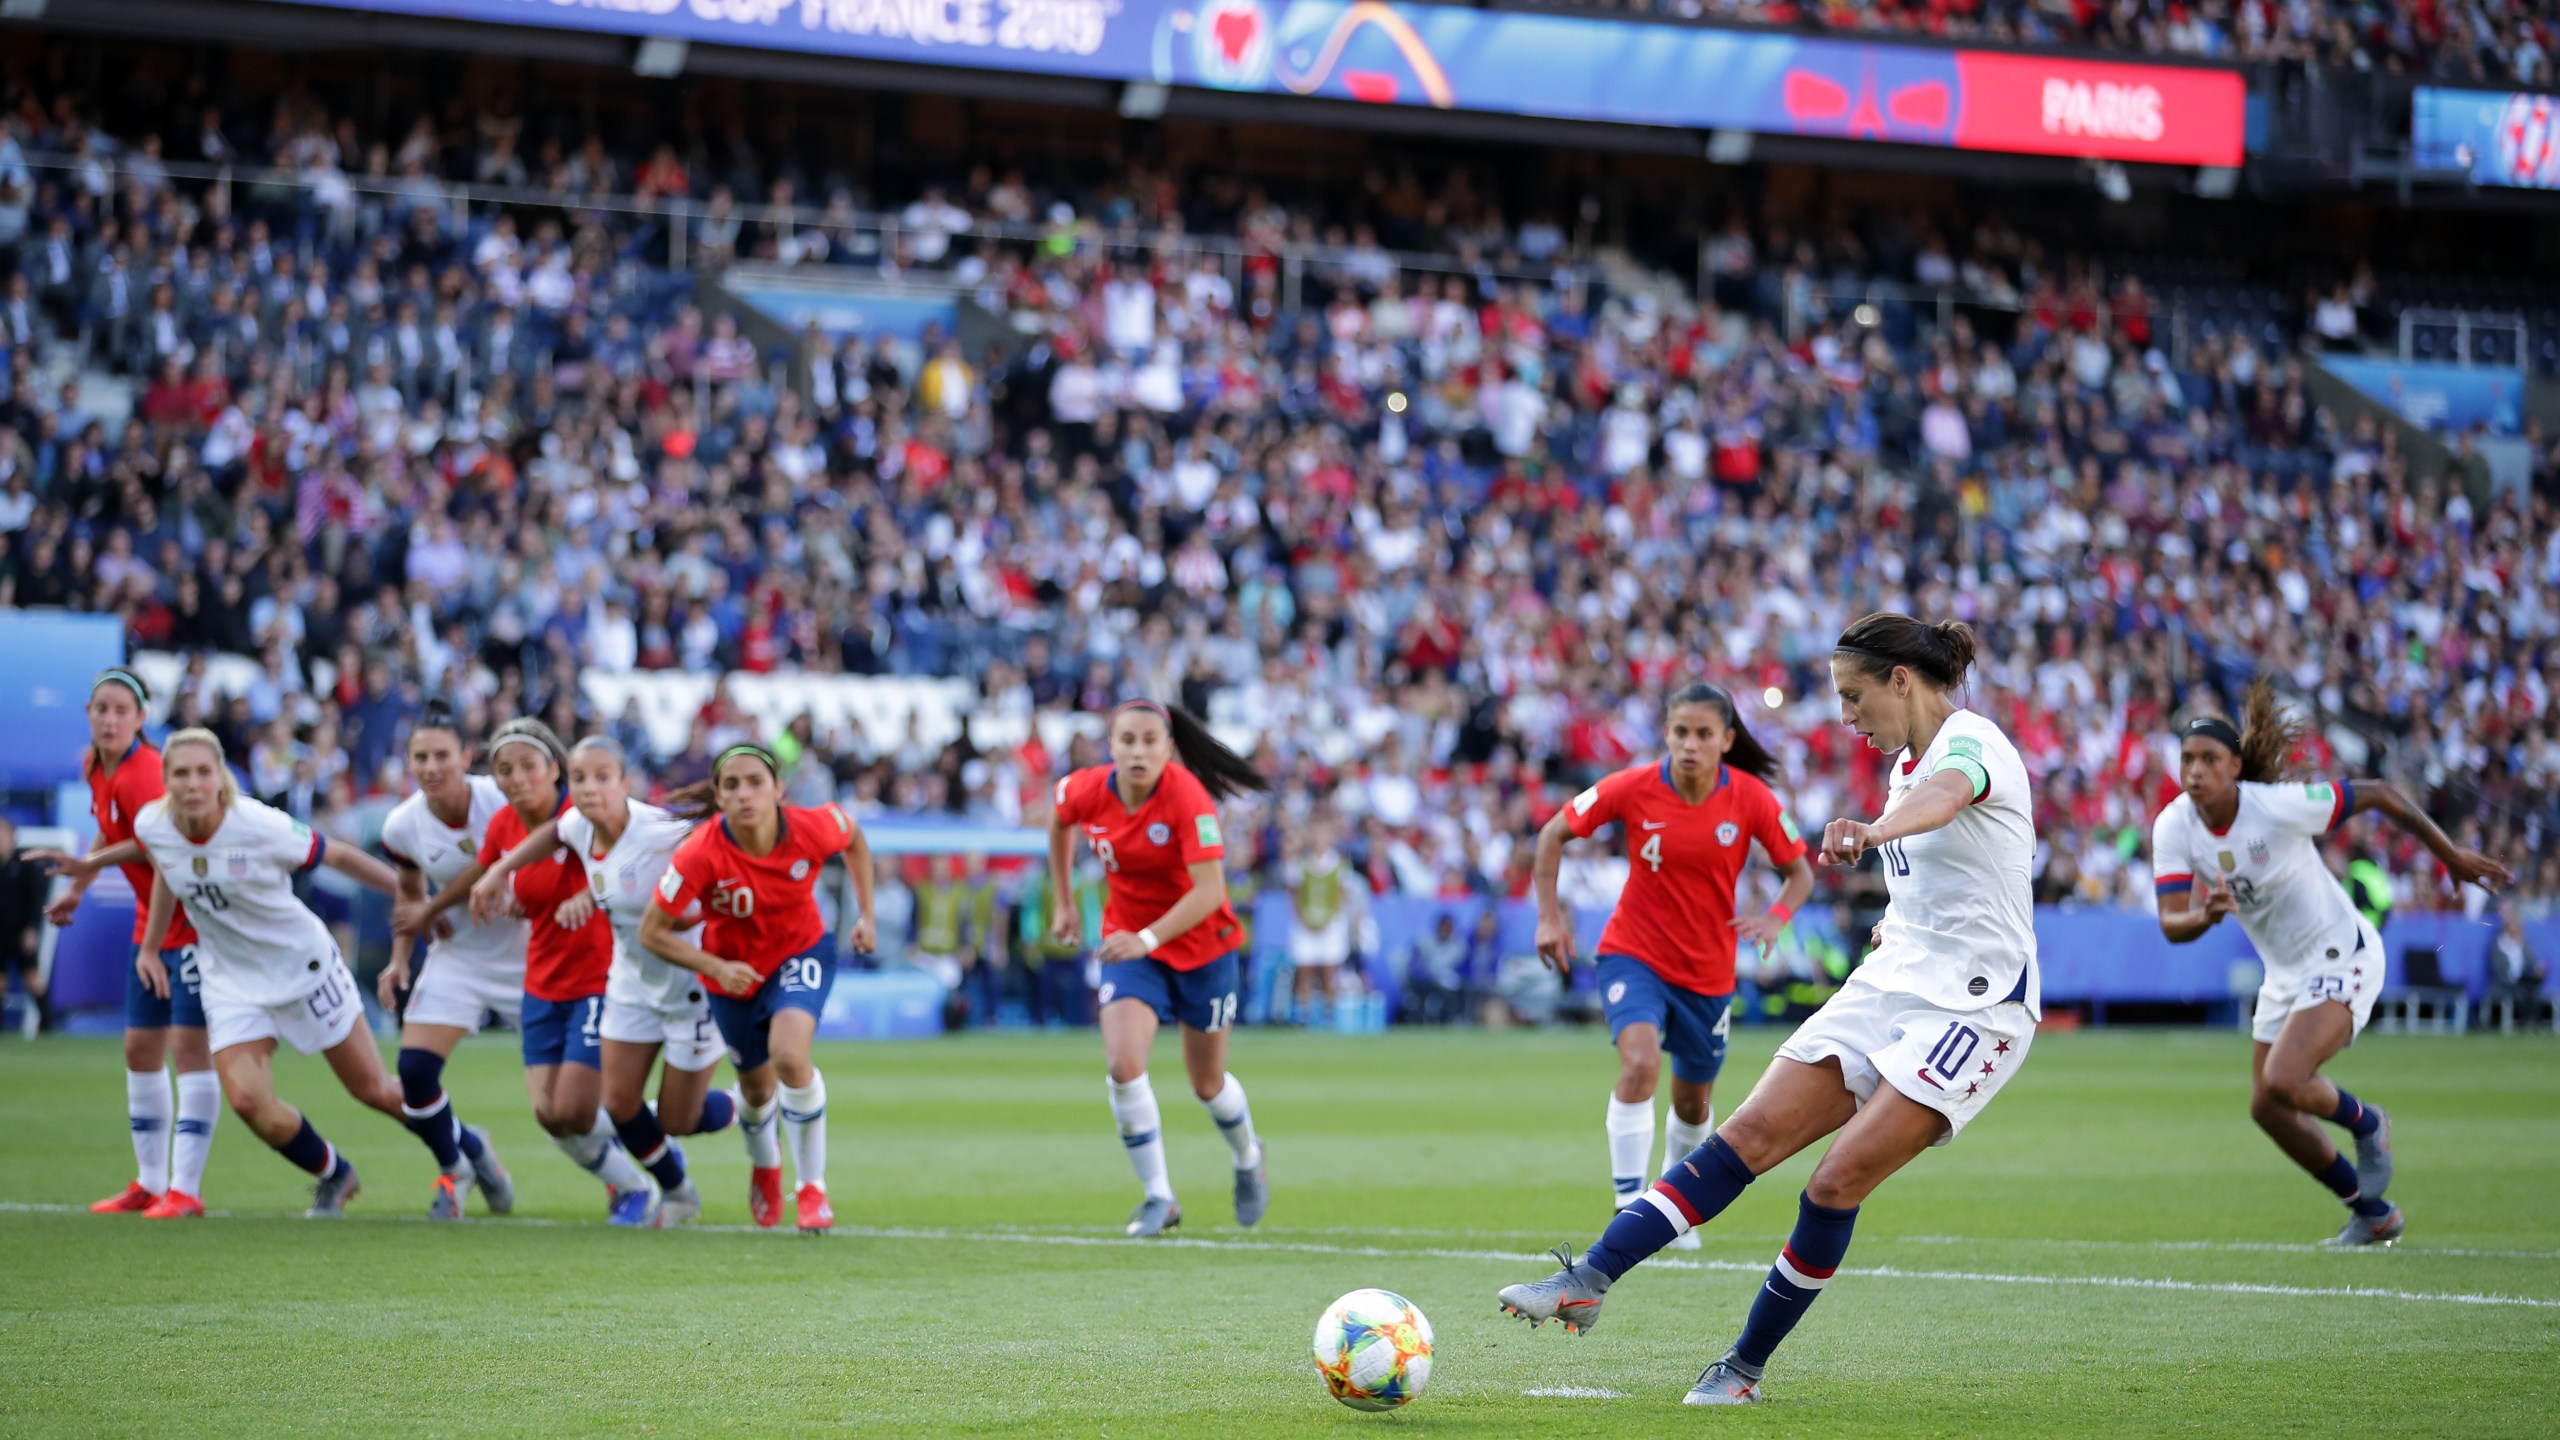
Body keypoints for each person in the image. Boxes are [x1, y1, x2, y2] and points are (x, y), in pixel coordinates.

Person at [1497, 614, 2039, 1408]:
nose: (1847, 719)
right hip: (1892, 980)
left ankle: (1742, 1368)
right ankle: (1588, 1278)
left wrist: (1876, 830)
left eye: (1855, 699)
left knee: (1834, 1180)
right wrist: (1900, 917)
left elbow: (1950, 798)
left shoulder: (1972, 743)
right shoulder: (1904, 767)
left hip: (1978, 1007)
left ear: (1900, 680)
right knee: (1744, 1135)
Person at [2151, 683, 2511, 1246]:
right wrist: (2206, 916)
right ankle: (2372, 1213)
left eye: (2209, 760)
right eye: (2187, 760)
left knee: (2285, 1079)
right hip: (2286, 974)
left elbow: (2380, 793)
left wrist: (2452, 857)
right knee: (2267, 1107)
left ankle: (2368, 1123)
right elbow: (2171, 922)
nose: (2195, 771)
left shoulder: (2276, 808)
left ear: (2236, 766)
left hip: (2344, 952)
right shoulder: (2174, 826)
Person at [1531, 682, 1814, 1239]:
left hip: (1707, 974)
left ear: (1726, 740)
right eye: (1680, 732)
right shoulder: (1634, 787)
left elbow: (1800, 871)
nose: (1689, 744)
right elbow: (1552, 833)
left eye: (1703, 734)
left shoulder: (1751, 798)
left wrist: (1776, 919)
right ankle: (1629, 1206)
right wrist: (1548, 916)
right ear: (1666, 732)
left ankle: (1672, 1204)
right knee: (1639, 1064)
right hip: (1632, 953)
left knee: (1692, 1104)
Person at [127, 729, 414, 1215]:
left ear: (221, 777)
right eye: (181, 773)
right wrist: (150, 946)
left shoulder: (259, 824)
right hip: (233, 981)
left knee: (375, 1090)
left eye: (203, 771)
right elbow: (167, 873)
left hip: (302, 967)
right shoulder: (153, 825)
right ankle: (334, 1173)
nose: (193, 783)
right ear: (166, 780)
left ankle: (465, 1146)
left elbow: (338, 855)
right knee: (247, 1102)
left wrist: (414, 898)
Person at [473, 736, 742, 1227]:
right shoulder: (578, 825)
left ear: (625, 783)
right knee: (618, 1104)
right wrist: (499, 871)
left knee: (677, 1119)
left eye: (602, 777)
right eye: (580, 779)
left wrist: (696, 916)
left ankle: (748, 1104)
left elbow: (719, 860)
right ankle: (677, 1192)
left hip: (689, 982)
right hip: (630, 981)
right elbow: (554, 834)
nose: (590, 788)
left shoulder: (662, 830)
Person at [396, 719, 654, 1221]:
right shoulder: (501, 826)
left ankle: (655, 1153)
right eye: (504, 770)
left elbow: (631, 861)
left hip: (598, 975)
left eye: (527, 767)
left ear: (555, 770)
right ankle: (631, 1179)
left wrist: (589, 895)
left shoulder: (585, 812)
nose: (516, 779)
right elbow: (494, 866)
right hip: (540, 976)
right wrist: (484, 891)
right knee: (549, 1114)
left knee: (577, 1109)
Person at [1045, 699, 1272, 1238]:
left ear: (1169, 748)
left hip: (1202, 950)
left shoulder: (1188, 798)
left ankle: (1247, 1158)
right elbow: (1059, 824)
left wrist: (1145, 939)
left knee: (1207, 1084)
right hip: (1130, 949)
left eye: (1150, 741)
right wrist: (1064, 902)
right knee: (1124, 1066)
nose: (1138, 751)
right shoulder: (1084, 790)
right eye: (1127, 740)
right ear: (1111, 744)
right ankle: (1159, 1197)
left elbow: (1212, 890)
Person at [640, 743, 875, 1233]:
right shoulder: (701, 851)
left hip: (801, 951)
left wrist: (866, 915)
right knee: (754, 1086)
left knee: (790, 1057)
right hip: (731, 972)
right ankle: (766, 1163)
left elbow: (853, 838)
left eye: (755, 783)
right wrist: (715, 967)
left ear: (778, 790)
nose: (745, 794)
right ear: (719, 797)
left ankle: (812, 1188)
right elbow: (652, 931)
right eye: (732, 785)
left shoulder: (810, 827)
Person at [38, 671, 221, 1219]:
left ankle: (185, 1189)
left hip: (192, 927)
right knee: (141, 1050)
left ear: (142, 720)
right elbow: (109, 828)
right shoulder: (96, 765)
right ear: (89, 714)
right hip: (151, 926)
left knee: (189, 1051)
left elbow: (158, 850)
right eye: (101, 709)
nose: (110, 719)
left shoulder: (144, 774)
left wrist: (89, 867)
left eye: (122, 710)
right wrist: (77, 887)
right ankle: (148, 1181)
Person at [375, 701, 517, 1219]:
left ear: (467, 756)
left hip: (530, 953)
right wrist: (398, 962)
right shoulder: (402, 826)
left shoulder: (502, 798)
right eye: (420, 757)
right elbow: (409, 899)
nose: (431, 767)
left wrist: (434, 907)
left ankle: (628, 1177)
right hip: (461, 954)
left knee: (572, 1102)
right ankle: (458, 1161)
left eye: (441, 755)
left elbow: (491, 867)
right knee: (414, 1070)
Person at [1284, 822, 1355, 1025]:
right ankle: (1303, 1016)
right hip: (1304, 925)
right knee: (1304, 971)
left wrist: (1330, 919)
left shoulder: (1339, 864)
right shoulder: (1299, 864)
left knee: (1328, 973)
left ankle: (1329, 1015)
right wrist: (1303, 919)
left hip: (1330, 926)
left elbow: (1342, 896)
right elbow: (1294, 895)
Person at [0, 815, 51, 1036]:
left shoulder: (25, 864)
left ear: (13, 837)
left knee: (32, 977)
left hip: (21, 932)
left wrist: (32, 928)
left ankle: (47, 1026)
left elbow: (37, 900)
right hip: (0, 933)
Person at [2486, 909, 2548, 1032]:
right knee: (2522, 993)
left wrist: (2537, 969)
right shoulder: (2499, 944)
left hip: (2522, 980)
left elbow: (2532, 960)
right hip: (2505, 983)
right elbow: (2497, 969)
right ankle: (2527, 1022)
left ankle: (2531, 1022)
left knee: (2534, 991)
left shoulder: (2523, 943)